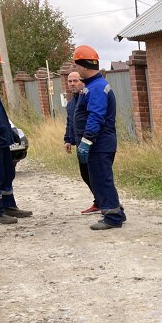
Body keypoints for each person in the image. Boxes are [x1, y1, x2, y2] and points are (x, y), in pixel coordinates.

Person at [72, 45, 126, 230]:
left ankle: (113, 217)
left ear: (84, 65)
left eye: (77, 65)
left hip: (99, 144)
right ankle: (116, 211)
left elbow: (96, 116)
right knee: (100, 179)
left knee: (102, 179)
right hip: (99, 144)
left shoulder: (96, 88)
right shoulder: (93, 86)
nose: (76, 69)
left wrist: (87, 141)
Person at [0, 47, 32, 225]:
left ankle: (8, 205)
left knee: (7, 173)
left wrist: (10, 132)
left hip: (2, 140)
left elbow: (0, 115)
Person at [64, 71, 98, 215]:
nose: (72, 84)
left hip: (91, 142)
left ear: (82, 81)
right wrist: (68, 139)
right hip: (79, 143)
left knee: (97, 175)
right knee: (85, 174)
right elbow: (70, 122)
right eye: (70, 81)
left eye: (75, 80)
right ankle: (99, 201)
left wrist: (88, 139)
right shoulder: (71, 103)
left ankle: (108, 202)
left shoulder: (87, 97)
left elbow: (95, 118)